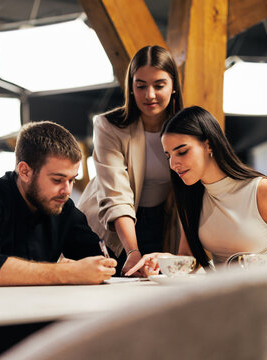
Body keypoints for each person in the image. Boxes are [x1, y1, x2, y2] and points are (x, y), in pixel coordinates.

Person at [126, 106, 267, 278]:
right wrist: (163, 258)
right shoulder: (190, 200)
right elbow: (188, 260)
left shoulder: (264, 192)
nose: (173, 163)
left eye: (182, 151)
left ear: (209, 144)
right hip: (226, 298)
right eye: (168, 155)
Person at [0, 121, 116, 287]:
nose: (67, 190)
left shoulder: (62, 207)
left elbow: (100, 258)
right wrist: (68, 272)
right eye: (57, 180)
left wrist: (133, 262)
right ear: (25, 171)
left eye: (71, 180)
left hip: (24, 312)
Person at [78, 45, 183, 276]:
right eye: (141, 86)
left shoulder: (188, 127)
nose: (150, 95)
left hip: (161, 220)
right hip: (112, 221)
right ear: (131, 87)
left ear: (173, 85)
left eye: (159, 85)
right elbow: (116, 194)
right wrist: (133, 250)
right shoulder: (109, 126)